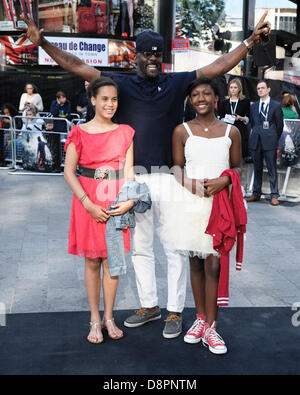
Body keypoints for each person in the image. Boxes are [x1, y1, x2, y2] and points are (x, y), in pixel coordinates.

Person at [20, 11, 270, 338]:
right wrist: (45, 43)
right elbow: (75, 64)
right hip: (133, 179)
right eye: (147, 53)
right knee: (140, 247)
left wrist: (249, 42)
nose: (153, 58)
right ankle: (149, 305)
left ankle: (176, 312)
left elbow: (218, 65)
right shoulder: (119, 83)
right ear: (134, 55)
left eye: (158, 54)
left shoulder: (176, 82)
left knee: (174, 247)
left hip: (170, 177)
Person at [159, 78, 243, 354]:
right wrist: (191, 185)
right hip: (191, 203)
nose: (201, 98)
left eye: (206, 93)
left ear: (215, 98)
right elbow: (177, 168)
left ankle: (212, 327)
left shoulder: (231, 132)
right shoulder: (182, 131)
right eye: (195, 95)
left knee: (213, 266)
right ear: (190, 101)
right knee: (195, 262)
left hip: (219, 206)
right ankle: (199, 319)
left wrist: (225, 182)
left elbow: (237, 169)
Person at [64, 77, 135, 344]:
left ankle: (109, 317)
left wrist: (129, 201)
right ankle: (94, 318)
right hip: (88, 202)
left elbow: (129, 172)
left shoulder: (126, 132)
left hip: (117, 202)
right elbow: (69, 173)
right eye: (104, 98)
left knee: (112, 262)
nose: (110, 104)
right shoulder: (79, 132)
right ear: (93, 99)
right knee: (92, 261)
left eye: (114, 99)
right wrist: (88, 204)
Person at [246, 80, 284, 206]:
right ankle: (256, 193)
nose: (260, 90)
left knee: (272, 168)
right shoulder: (254, 106)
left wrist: (273, 137)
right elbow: (252, 123)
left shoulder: (276, 105)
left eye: (262, 88)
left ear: (268, 89)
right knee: (257, 168)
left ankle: (274, 195)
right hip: (256, 141)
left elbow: (280, 126)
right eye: (258, 88)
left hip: (270, 141)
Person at [218, 78, 251, 160]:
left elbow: (248, 119)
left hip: (241, 132)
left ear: (239, 89)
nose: (233, 89)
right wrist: (227, 118)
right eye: (231, 87)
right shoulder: (223, 102)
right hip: (227, 132)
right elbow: (220, 117)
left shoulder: (245, 101)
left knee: (239, 157)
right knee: (226, 156)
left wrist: (241, 118)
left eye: (235, 87)